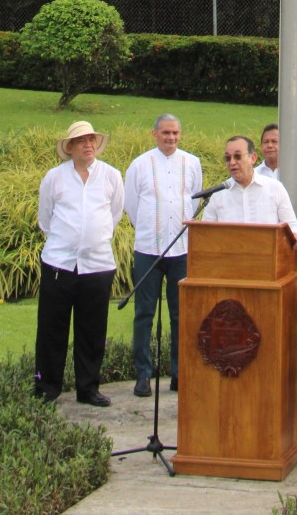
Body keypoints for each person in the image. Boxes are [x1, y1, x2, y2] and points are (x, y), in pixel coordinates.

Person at [34, 120, 124, 407]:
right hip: (59, 263)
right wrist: (68, 240)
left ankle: (88, 388)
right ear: (69, 147)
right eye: (81, 140)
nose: (88, 144)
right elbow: (45, 218)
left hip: (97, 265)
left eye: (91, 139)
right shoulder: (54, 178)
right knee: (51, 329)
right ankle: (47, 388)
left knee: (92, 330)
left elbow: (115, 214)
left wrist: (91, 238)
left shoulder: (111, 176)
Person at [123, 112, 202, 398]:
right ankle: (143, 374)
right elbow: (130, 204)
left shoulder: (192, 163)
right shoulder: (140, 165)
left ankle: (179, 373)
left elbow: (193, 199)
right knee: (144, 312)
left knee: (181, 313)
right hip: (148, 249)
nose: (170, 138)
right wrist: (148, 229)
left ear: (181, 135)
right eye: (165, 133)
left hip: (181, 249)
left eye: (175, 133)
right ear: (154, 134)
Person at [201, 135, 297, 242]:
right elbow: (205, 234)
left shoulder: (275, 188)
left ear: (253, 158)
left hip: (267, 257)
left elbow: (291, 226)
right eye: (227, 158)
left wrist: (295, 236)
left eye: (237, 156)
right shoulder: (218, 194)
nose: (232, 162)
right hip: (229, 257)